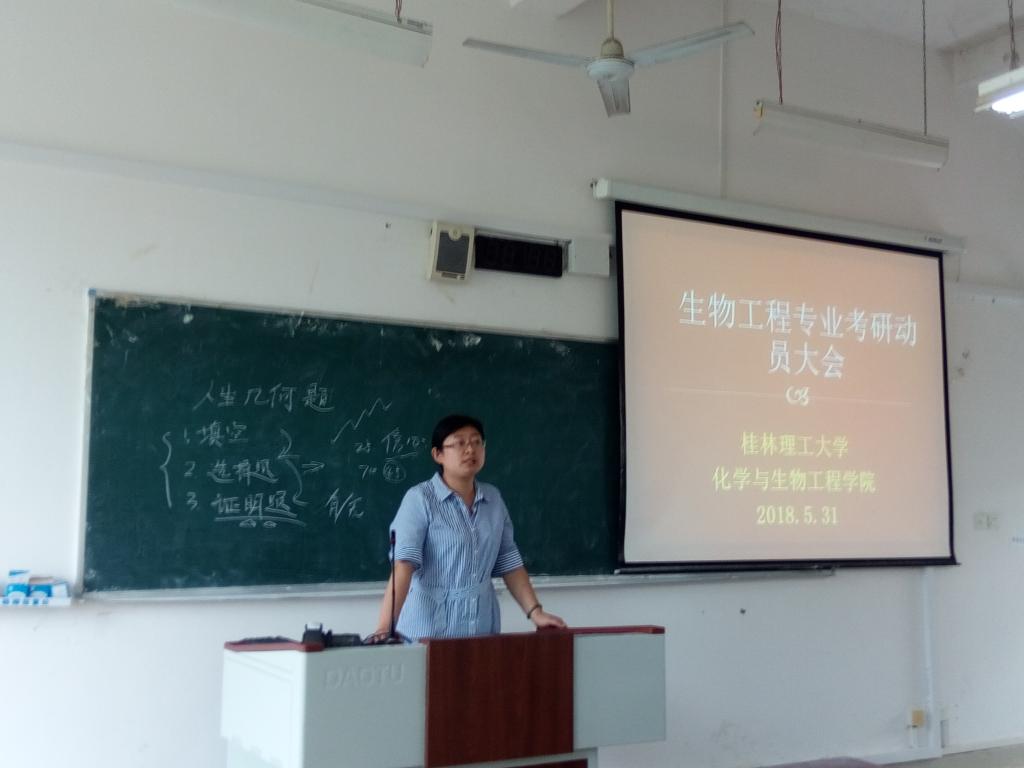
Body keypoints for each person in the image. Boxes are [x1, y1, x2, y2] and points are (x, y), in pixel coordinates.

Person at [369, 413, 566, 642]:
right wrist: (384, 627)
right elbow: (403, 565)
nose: (470, 449)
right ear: (438, 454)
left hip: (482, 629)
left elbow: (509, 562)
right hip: (429, 632)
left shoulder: (493, 499)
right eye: (459, 443)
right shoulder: (420, 499)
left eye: (476, 442)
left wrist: (535, 612)